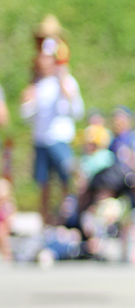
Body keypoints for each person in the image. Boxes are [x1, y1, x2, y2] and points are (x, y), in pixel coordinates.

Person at [20, 51, 85, 225]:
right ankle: (46, 222)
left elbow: (77, 111)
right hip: (41, 140)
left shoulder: (67, 81)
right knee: (44, 184)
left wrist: (65, 90)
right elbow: (26, 115)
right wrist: (28, 101)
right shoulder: (37, 84)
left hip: (60, 139)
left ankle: (67, 219)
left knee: (68, 179)